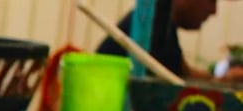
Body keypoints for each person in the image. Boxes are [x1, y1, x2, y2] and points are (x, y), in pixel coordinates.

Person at [97, 0, 243, 82]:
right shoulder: (151, 24)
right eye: (211, 1)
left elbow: (182, 72)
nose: (214, 11)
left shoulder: (164, 24)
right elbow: (174, 82)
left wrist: (224, 79)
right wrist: (220, 81)